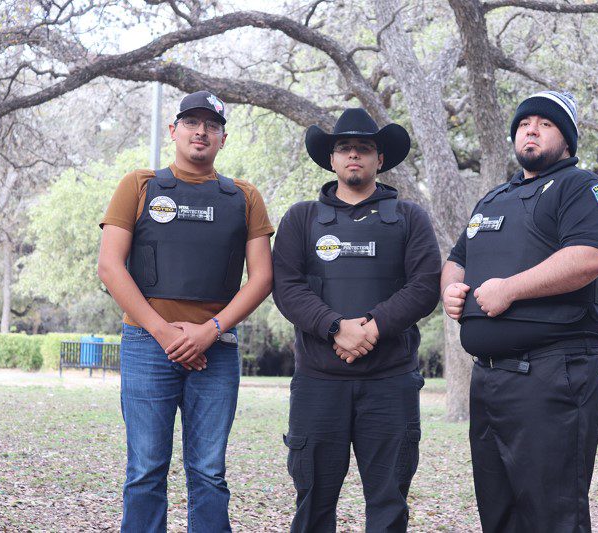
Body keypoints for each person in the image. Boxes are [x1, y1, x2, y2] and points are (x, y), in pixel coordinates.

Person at [441, 91, 598, 532]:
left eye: (545, 123)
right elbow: (456, 257)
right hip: (488, 379)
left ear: (568, 140)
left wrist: (512, 290)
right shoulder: (492, 199)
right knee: (498, 513)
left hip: (552, 375)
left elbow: (589, 257)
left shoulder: (583, 188)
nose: (531, 129)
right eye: (524, 124)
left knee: (551, 515)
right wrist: (450, 291)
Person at [97, 90, 274, 532]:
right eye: (192, 123)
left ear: (223, 139)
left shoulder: (244, 197)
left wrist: (210, 331)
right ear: (174, 131)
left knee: (209, 472)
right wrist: (164, 333)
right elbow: (109, 266)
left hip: (216, 349)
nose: (201, 132)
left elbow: (262, 278)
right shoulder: (138, 186)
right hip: (146, 345)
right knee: (145, 470)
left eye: (211, 125)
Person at [272, 108, 441, 532]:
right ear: (331, 159)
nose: (353, 156)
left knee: (388, 503)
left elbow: (424, 287)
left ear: (379, 160)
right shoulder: (302, 218)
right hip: (318, 383)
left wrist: (372, 326)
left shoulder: (409, 217)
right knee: (313, 501)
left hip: (390, 382)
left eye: (363, 149)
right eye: (344, 148)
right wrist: (335, 327)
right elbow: (287, 288)